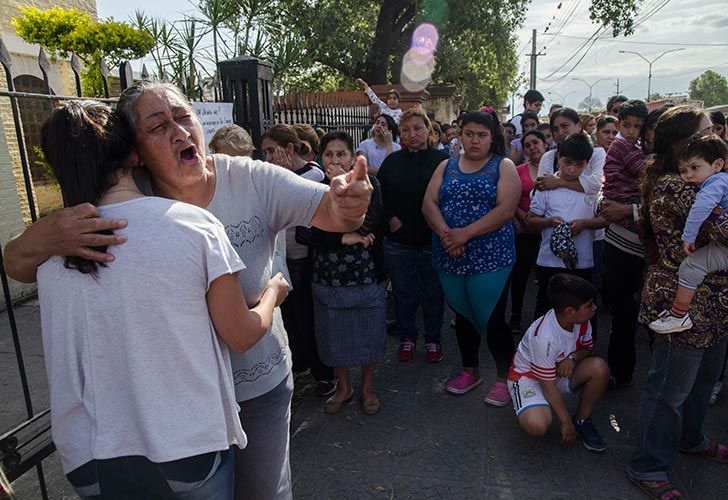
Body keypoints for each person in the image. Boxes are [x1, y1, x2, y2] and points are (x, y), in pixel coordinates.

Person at [4, 81, 373, 500]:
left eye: (183, 116)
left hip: (254, 389)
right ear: (134, 150)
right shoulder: (109, 209)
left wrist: (350, 204)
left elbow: (333, 212)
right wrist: (46, 235)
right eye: (158, 125)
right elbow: (17, 263)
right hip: (174, 417)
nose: (178, 131)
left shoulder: (249, 178)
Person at [36, 101, 289, 498]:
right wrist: (273, 293)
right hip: (184, 446)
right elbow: (240, 335)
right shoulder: (192, 226)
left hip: (89, 458)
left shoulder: (47, 254)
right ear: (133, 154)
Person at [627, 105, 728, 499]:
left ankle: (691, 438)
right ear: (686, 143)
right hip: (681, 306)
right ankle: (647, 465)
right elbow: (722, 228)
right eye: (707, 130)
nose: (716, 133)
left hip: (714, 304)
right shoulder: (676, 186)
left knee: (703, 382)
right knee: (669, 390)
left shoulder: (708, 181)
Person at [422, 109, 519, 404]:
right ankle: (470, 370)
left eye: (482, 135)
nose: (475, 140)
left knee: (491, 318)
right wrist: (447, 235)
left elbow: (506, 210)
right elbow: (428, 203)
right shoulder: (446, 166)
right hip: (449, 254)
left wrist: (465, 234)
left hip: (491, 259)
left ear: (492, 137)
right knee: (462, 315)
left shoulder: (502, 166)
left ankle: (506, 378)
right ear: (460, 134)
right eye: (469, 134)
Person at [297, 131, 386, 415]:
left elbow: (368, 224)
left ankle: (367, 387)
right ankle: (344, 387)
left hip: (365, 273)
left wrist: (336, 229)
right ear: (321, 157)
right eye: (329, 154)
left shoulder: (370, 185)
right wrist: (342, 238)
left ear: (352, 159)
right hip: (326, 275)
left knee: (369, 332)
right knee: (332, 334)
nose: (335, 160)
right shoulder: (311, 189)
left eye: (341, 154)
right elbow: (303, 233)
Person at [260, 124, 337, 398]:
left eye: (272, 151)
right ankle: (300, 362)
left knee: (307, 319)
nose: (267, 158)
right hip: (281, 261)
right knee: (291, 319)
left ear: (289, 149)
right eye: (265, 152)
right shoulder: (273, 176)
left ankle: (323, 374)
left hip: (304, 261)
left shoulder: (312, 176)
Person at [508, 274, 609, 452]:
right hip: (529, 378)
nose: (594, 308)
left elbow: (587, 349)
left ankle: (582, 420)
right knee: (537, 425)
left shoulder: (582, 321)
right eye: (589, 305)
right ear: (570, 311)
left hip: (556, 374)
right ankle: (536, 405)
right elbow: (547, 385)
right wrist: (565, 422)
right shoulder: (544, 337)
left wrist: (572, 358)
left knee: (599, 367)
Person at [377, 108, 448, 363]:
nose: (412, 134)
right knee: (403, 293)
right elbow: (379, 196)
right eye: (406, 129)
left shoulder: (442, 161)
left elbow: (448, 198)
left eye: (417, 128)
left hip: (434, 240)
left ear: (428, 130)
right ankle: (407, 337)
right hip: (399, 242)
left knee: (433, 293)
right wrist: (391, 220)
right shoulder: (392, 161)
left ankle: (432, 340)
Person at [649, 134, 728, 333]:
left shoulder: (716, 182)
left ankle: (678, 315)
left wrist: (689, 236)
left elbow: (701, 208)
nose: (688, 176)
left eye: (695, 168)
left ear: (717, 164)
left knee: (691, 267)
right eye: (683, 170)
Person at [527, 133, 606, 322]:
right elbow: (531, 220)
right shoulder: (546, 186)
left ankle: (582, 349)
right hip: (549, 262)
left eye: (579, 165)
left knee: (583, 311)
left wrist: (585, 224)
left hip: (582, 263)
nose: (571, 169)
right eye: (567, 162)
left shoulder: (591, 190)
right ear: (558, 158)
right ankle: (543, 349)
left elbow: (605, 219)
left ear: (587, 163)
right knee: (547, 311)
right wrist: (549, 222)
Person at [509, 130, 549, 334]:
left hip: (548, 231)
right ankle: (515, 315)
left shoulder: (555, 169)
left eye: (536, 142)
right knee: (520, 276)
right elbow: (511, 198)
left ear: (545, 143)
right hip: (524, 230)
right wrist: (522, 216)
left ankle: (544, 320)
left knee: (546, 278)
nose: (532, 147)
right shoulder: (518, 170)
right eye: (528, 145)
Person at [536, 107, 606, 196]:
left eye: (564, 126)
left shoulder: (597, 153)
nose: (560, 132)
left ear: (579, 126)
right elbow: (541, 188)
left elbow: (597, 184)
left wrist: (559, 182)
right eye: (555, 129)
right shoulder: (548, 157)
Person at [601, 99, 649, 204]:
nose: (631, 131)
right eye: (626, 125)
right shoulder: (622, 145)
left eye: (637, 126)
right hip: (622, 197)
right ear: (617, 125)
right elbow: (643, 171)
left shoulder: (631, 144)